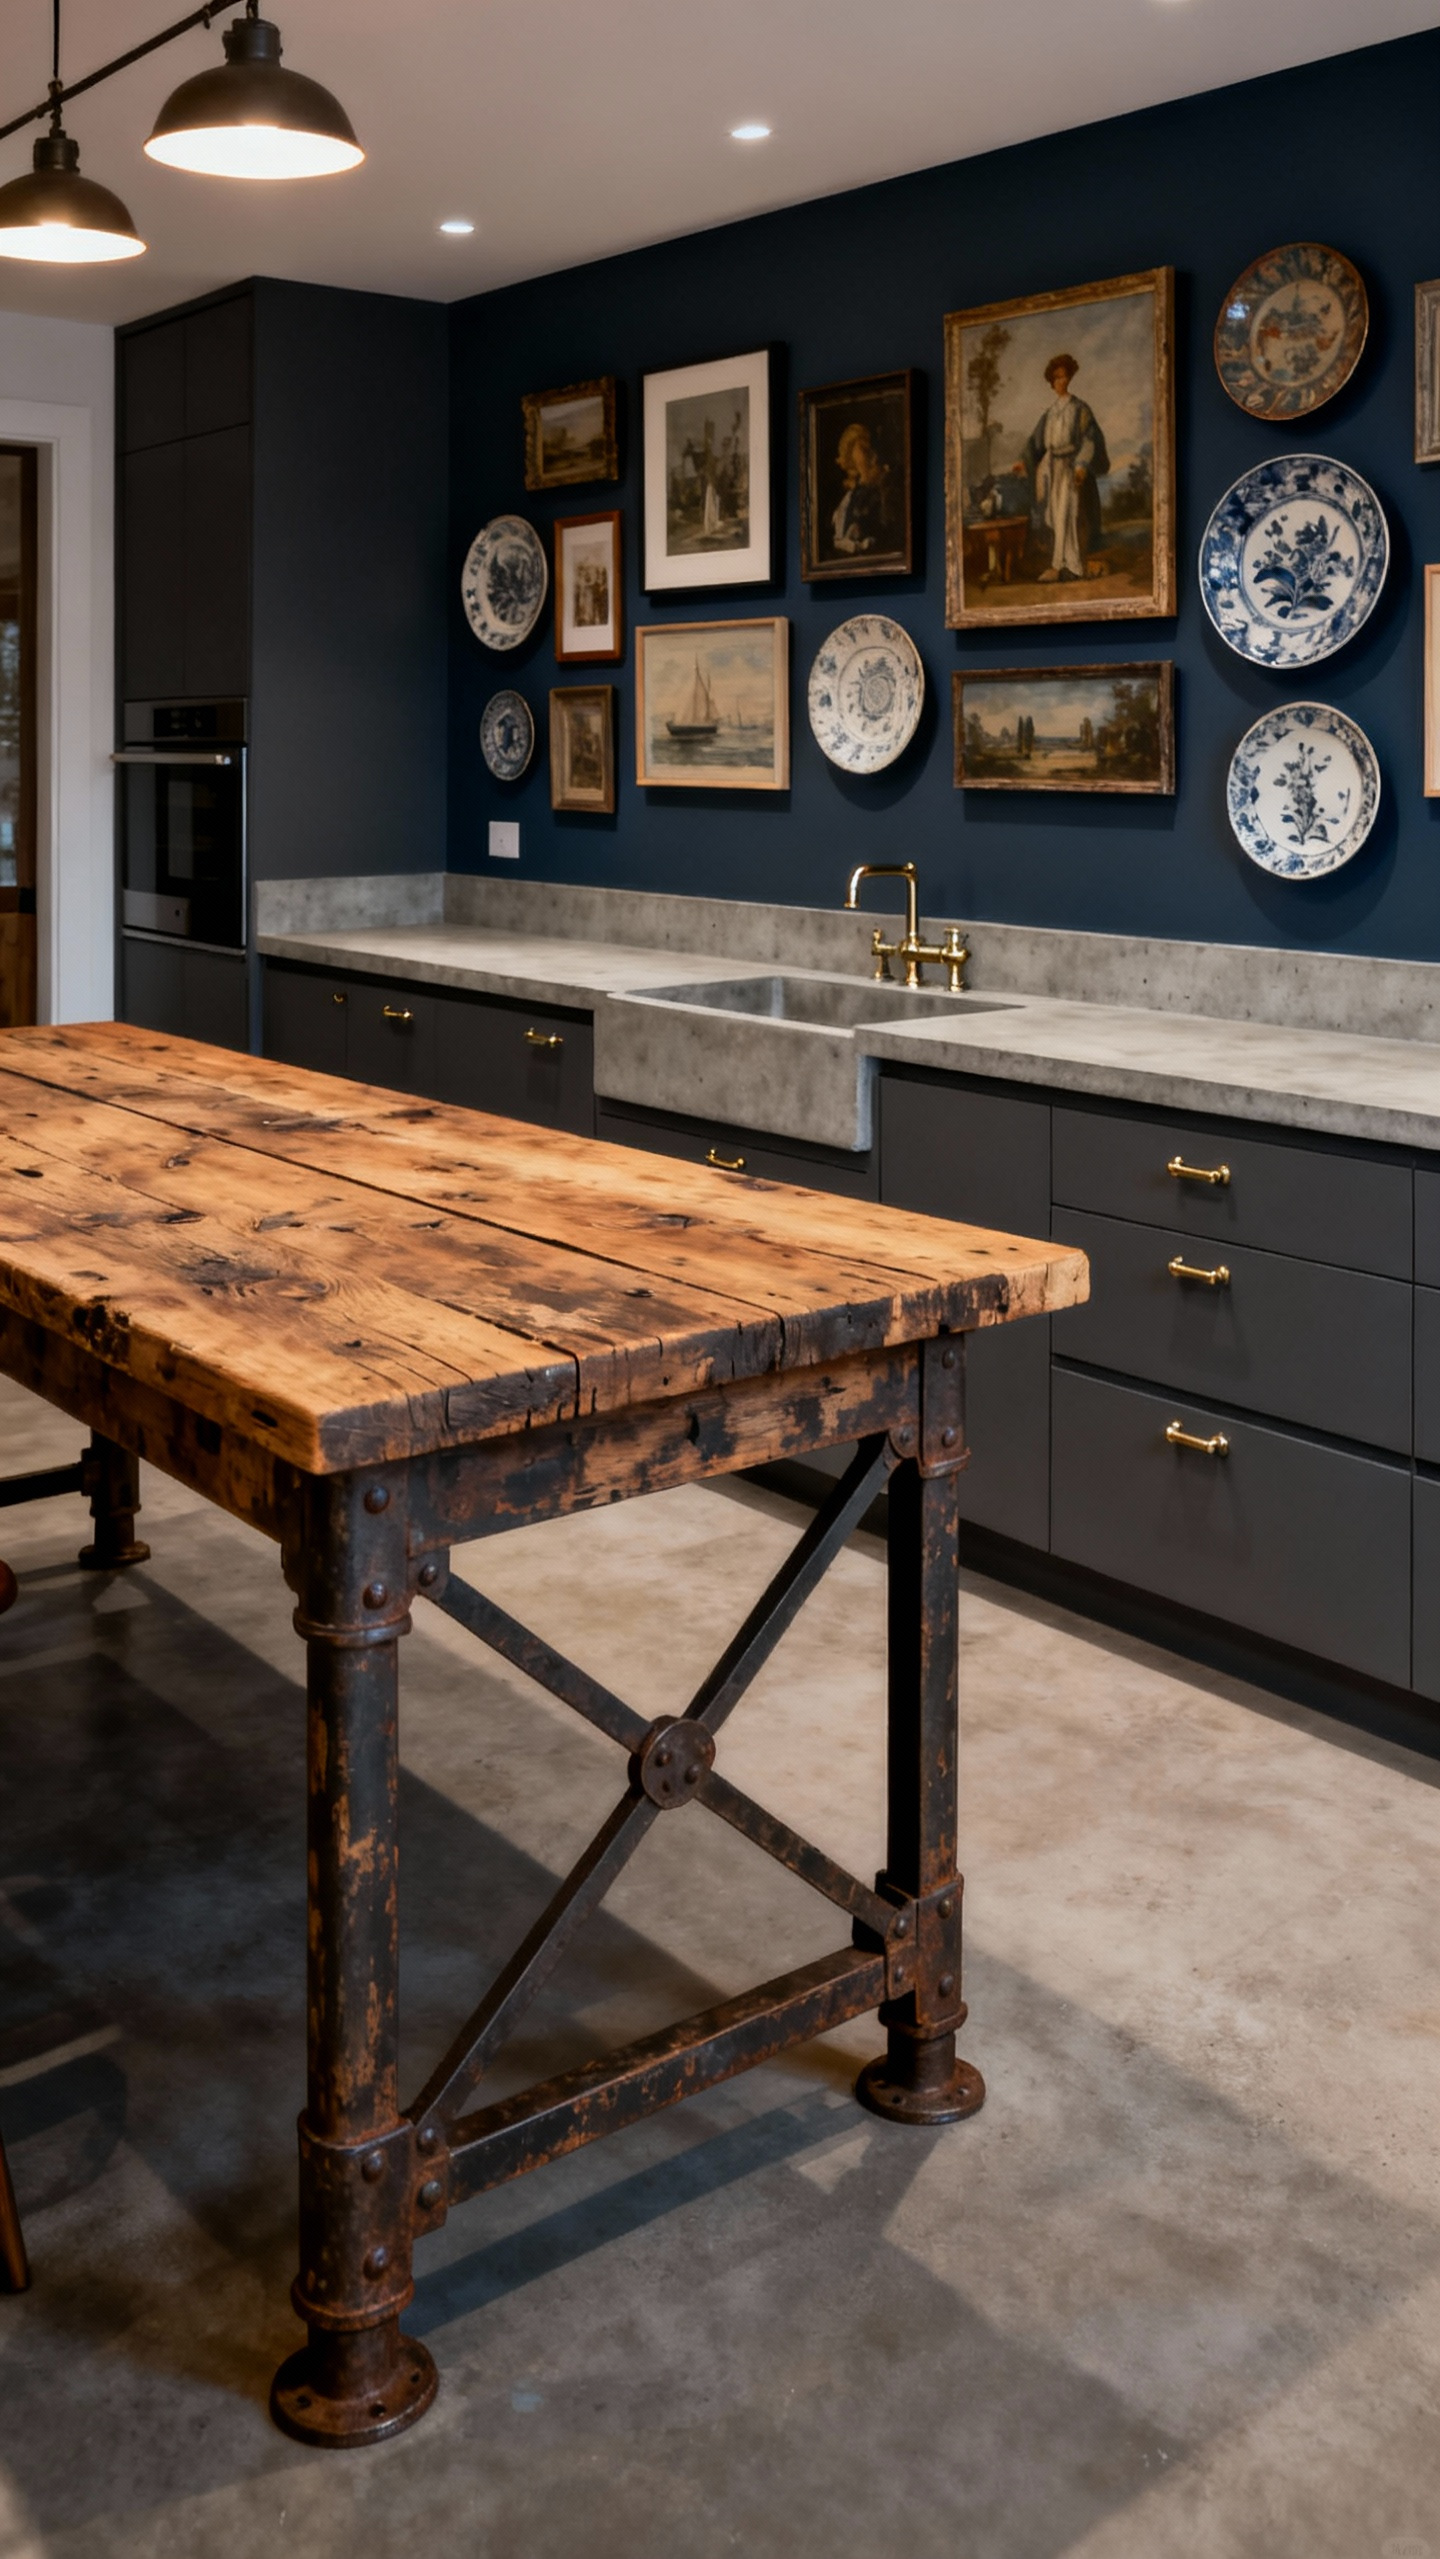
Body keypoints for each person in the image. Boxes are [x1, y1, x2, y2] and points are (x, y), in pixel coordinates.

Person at [1012, 352, 1109, 582]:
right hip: (1051, 468)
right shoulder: (1050, 413)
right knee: (1055, 515)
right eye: (1056, 378)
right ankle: (1063, 565)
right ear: (1052, 382)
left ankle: (1068, 565)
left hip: (1070, 466)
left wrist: (1082, 465)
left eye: (1064, 377)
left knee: (1068, 513)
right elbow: (1035, 443)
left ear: (1069, 378)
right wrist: (1023, 461)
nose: (1061, 382)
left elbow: (1089, 439)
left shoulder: (1079, 409)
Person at [830, 419, 893, 557]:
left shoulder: (885, 488)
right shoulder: (850, 497)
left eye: (869, 449)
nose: (872, 456)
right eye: (863, 450)